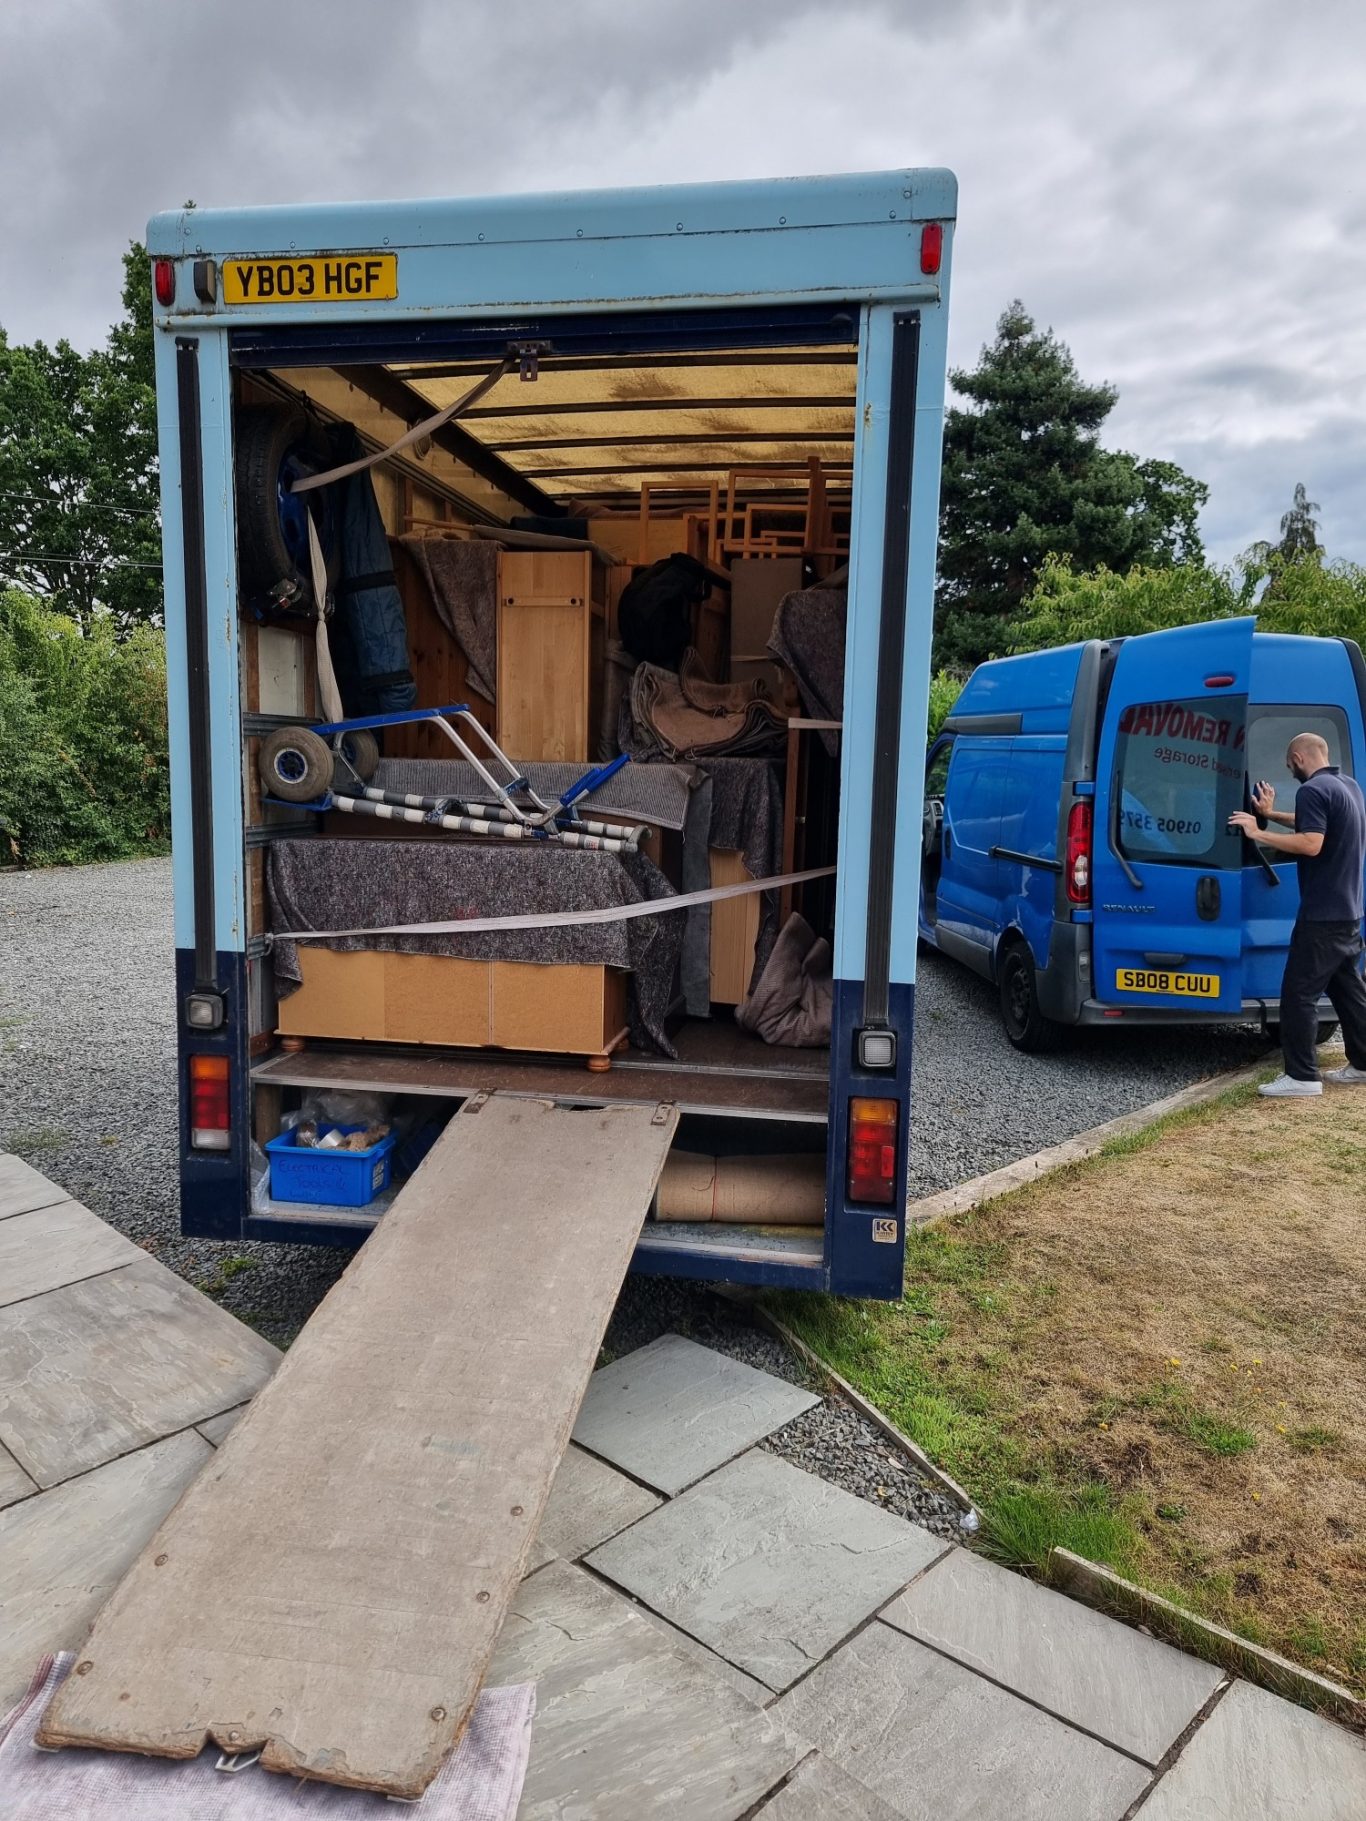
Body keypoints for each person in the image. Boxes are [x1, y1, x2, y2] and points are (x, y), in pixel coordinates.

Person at [1229, 732, 1366, 1097]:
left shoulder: (1312, 790)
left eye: (1290, 764)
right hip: (1349, 911)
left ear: (1299, 757)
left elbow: (1311, 842)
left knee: (1298, 994)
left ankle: (1302, 1077)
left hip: (1322, 916)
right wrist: (1270, 815)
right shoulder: (1348, 786)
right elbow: (1316, 824)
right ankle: (1364, 1063)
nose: (1290, 769)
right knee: (1348, 991)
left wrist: (1258, 833)